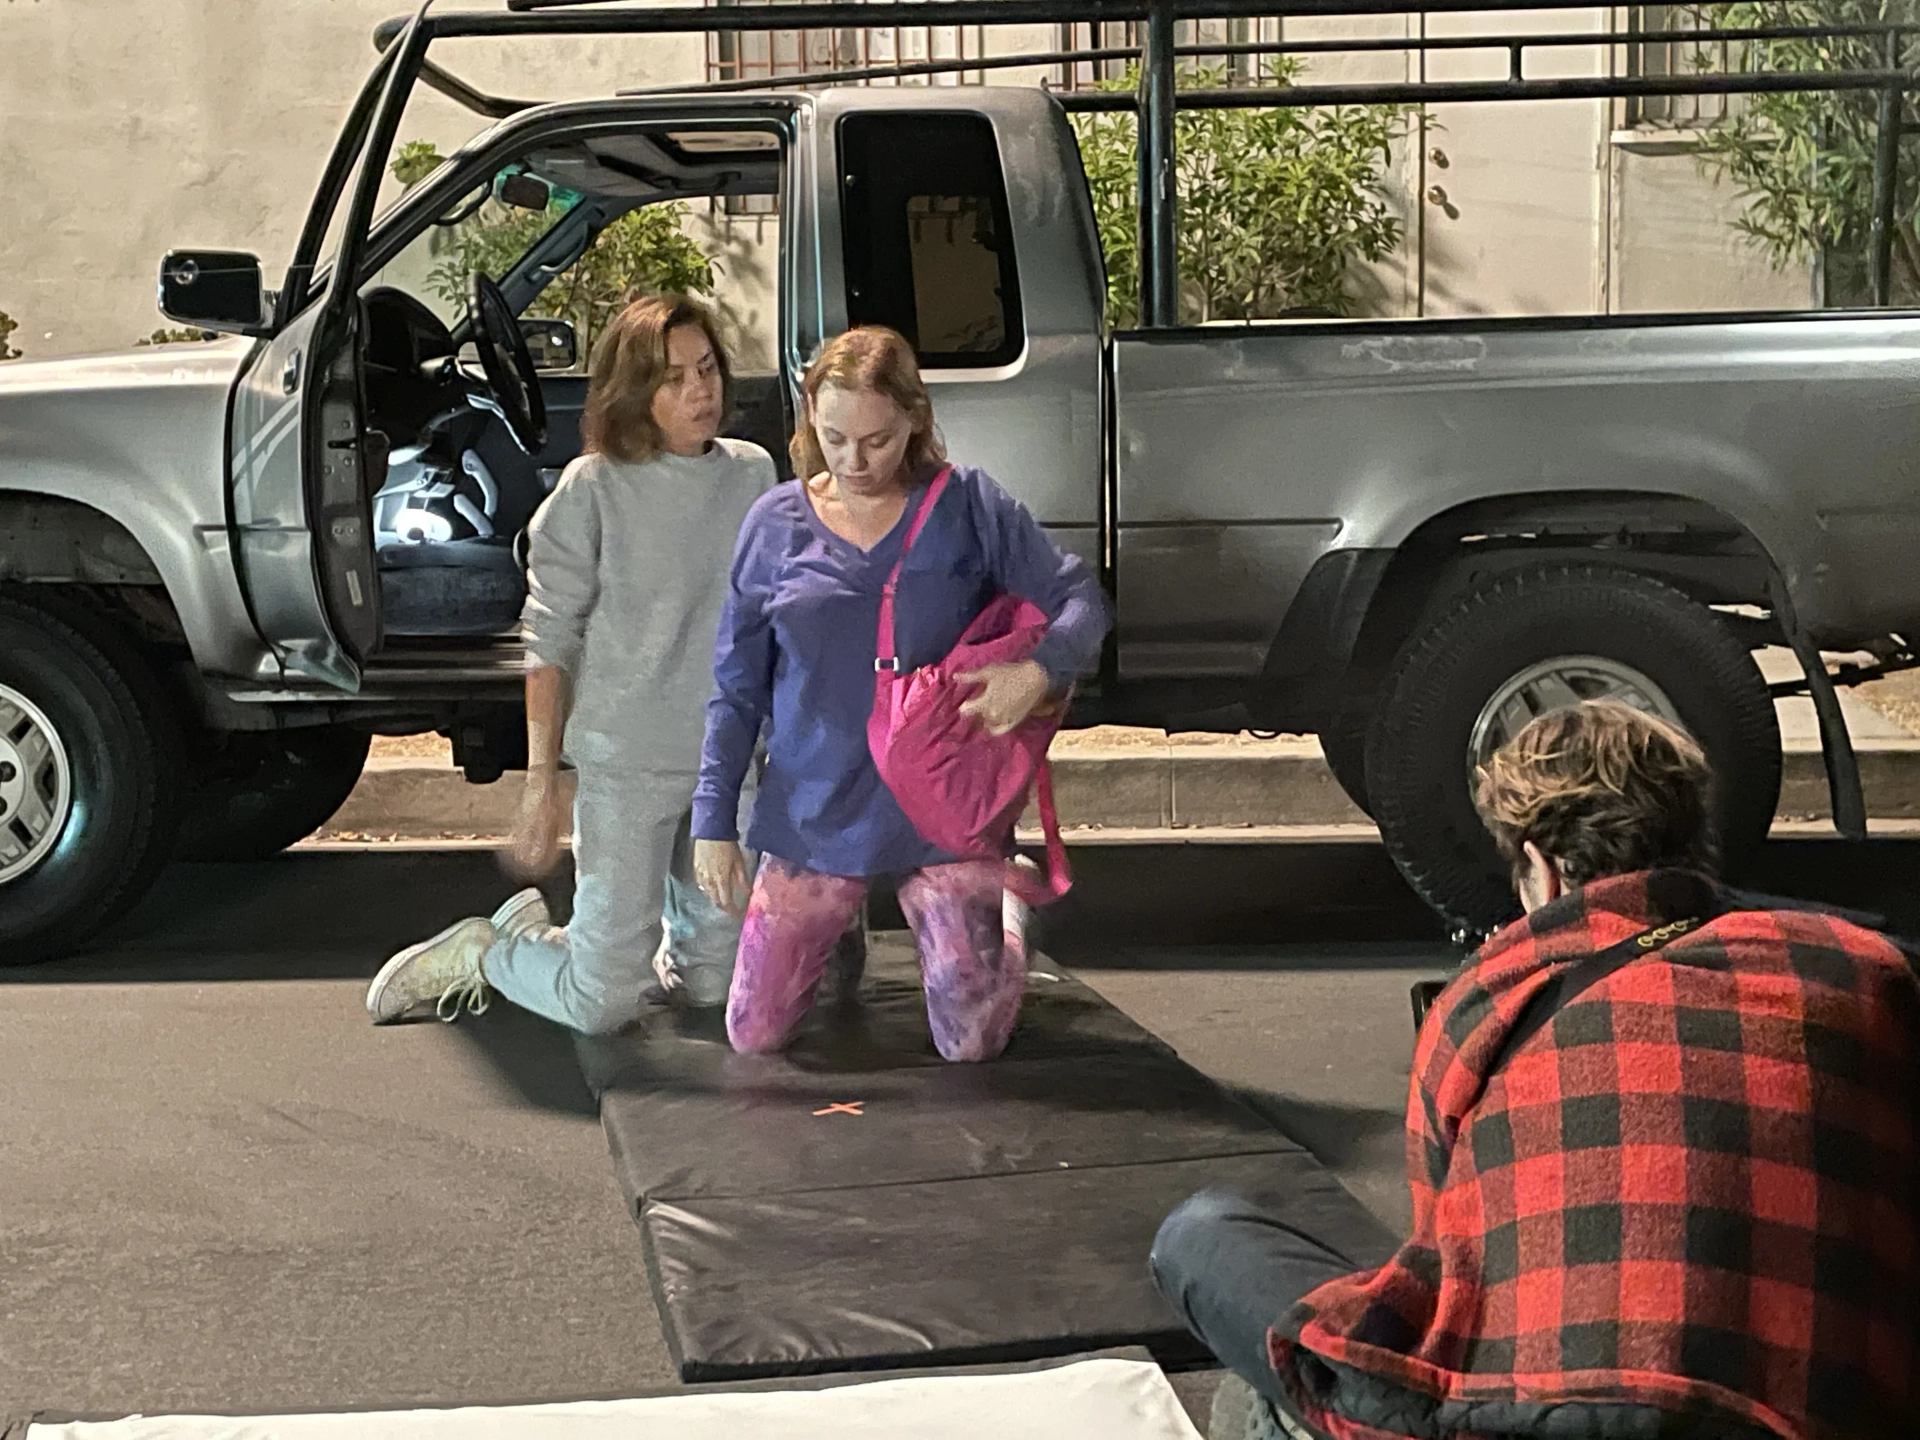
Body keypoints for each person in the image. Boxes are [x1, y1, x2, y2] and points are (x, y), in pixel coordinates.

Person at [1151, 700, 1920, 1440]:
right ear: (1695, 839)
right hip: (1820, 1412)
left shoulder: (1490, 993)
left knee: (1202, 1237)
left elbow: (1447, 1258)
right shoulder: (1863, 964)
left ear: (1541, 870)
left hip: (1525, 1417)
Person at [690, 326, 1109, 1063]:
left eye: (877, 440)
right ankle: (842, 918)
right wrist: (712, 820)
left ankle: (1001, 915)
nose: (855, 462)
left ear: (915, 419)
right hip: (814, 812)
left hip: (944, 814)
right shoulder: (773, 526)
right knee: (754, 1032)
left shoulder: (970, 506)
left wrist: (1040, 670)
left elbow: (1081, 599)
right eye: (834, 438)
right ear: (809, 415)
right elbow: (736, 686)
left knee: (970, 1043)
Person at [365, 294, 776, 1032]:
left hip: (725, 764)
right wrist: (540, 785)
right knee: (603, 1005)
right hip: (626, 760)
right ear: (635, 393)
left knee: (714, 987)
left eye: (708, 369)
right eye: (674, 377)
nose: (700, 391)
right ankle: (491, 949)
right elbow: (548, 646)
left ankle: (598, 943)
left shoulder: (752, 474)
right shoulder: (593, 488)